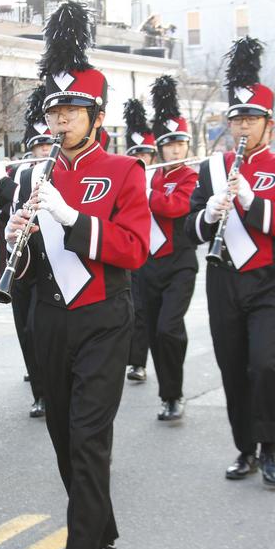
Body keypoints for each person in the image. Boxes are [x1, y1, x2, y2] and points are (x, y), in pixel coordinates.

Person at [5, 0, 149, 549]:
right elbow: (36, 259)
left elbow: (134, 248)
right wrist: (19, 236)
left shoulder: (123, 171)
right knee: (64, 436)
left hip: (103, 316)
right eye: (55, 112)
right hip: (49, 317)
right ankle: (103, 527)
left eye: (72, 111)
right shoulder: (33, 176)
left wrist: (75, 219)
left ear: (96, 115)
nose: (60, 122)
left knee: (89, 435)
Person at [184, 37, 275, 488]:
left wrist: (252, 202)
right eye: (236, 117)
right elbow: (188, 231)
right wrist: (208, 213)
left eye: (251, 118)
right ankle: (245, 449)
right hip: (224, 281)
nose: (242, 125)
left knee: (265, 364)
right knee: (232, 367)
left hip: (272, 280)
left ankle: (270, 446)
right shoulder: (212, 169)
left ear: (268, 126)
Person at [0, 85, 55, 417]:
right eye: (38, 145)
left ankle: (50, 388)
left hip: (51, 262)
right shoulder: (21, 174)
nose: (43, 150)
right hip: (21, 263)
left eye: (48, 144)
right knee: (25, 330)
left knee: (40, 328)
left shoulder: (62, 172)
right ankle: (39, 391)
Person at [141, 75, 198, 422]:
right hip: (148, 263)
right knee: (153, 332)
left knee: (168, 328)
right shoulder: (151, 175)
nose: (175, 150)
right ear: (160, 147)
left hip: (179, 261)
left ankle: (175, 393)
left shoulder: (191, 176)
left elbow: (176, 207)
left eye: (180, 144)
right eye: (169, 145)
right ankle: (168, 395)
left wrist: (145, 191)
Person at [122, 98, 155, 385]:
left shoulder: (157, 179)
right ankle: (133, 359)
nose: (143, 158)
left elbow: (174, 207)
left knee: (156, 317)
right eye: (137, 153)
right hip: (132, 252)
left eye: (147, 153)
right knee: (136, 308)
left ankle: (141, 362)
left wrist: (148, 190)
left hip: (159, 254)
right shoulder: (128, 174)